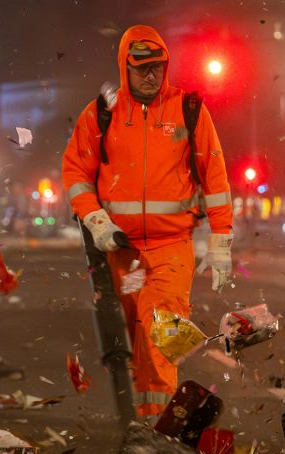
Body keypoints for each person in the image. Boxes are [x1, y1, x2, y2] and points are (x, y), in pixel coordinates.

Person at [62, 25, 233, 420]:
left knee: (160, 337)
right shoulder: (102, 114)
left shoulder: (188, 110)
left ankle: (157, 431)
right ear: (125, 67)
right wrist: (96, 218)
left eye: (157, 67)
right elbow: (75, 174)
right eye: (141, 68)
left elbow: (216, 179)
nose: (150, 75)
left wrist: (221, 239)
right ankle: (142, 428)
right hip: (119, 251)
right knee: (132, 344)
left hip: (172, 247)